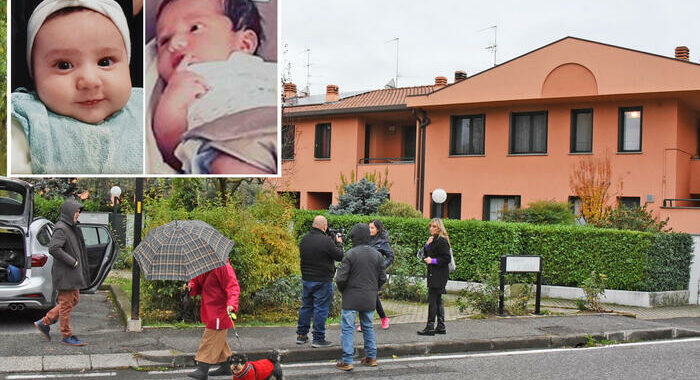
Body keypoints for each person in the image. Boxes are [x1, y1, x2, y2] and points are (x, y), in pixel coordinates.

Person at [11, 0, 143, 174]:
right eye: (64, 65)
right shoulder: (27, 120)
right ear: (34, 75)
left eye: (104, 62)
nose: (89, 81)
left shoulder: (144, 110)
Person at [152, 0, 277, 174]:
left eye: (194, 28)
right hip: (229, 142)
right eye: (164, 41)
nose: (175, 44)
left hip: (276, 124)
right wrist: (172, 101)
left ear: (244, 44)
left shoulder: (265, 70)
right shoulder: (183, 84)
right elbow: (173, 148)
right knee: (229, 166)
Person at [33, 199, 89, 346]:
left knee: (74, 300)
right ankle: (66, 335)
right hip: (65, 274)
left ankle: (44, 322)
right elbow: (54, 248)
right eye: (76, 211)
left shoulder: (70, 227)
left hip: (71, 274)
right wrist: (73, 261)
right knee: (66, 304)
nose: (77, 214)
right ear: (69, 212)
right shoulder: (61, 228)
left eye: (78, 211)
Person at [334, 223, 386, 371]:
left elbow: (340, 278)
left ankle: (347, 360)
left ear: (355, 238)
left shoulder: (350, 254)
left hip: (351, 297)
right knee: (368, 327)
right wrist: (374, 289)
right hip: (370, 297)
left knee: (348, 329)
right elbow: (382, 277)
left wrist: (343, 290)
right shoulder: (377, 255)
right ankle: (371, 357)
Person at [185, 259, 240, 380]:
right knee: (218, 339)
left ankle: (202, 369)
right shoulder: (204, 265)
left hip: (221, 311)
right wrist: (190, 287)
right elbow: (197, 284)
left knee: (210, 338)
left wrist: (232, 304)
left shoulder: (223, 266)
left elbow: (233, 287)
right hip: (211, 309)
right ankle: (227, 366)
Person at [296, 215, 344, 347]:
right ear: (324, 226)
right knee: (320, 309)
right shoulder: (326, 241)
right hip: (322, 280)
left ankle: (301, 335)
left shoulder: (304, 239)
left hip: (307, 278)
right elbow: (340, 256)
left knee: (306, 306)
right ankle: (318, 338)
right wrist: (339, 243)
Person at [358, 219, 394, 332]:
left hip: (377, 275)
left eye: (372, 228)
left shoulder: (383, 242)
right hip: (365, 273)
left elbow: (391, 256)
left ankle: (368, 322)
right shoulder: (365, 240)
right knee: (370, 297)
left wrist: (382, 266)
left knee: (371, 296)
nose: (370, 230)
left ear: (378, 229)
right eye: (369, 227)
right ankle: (383, 318)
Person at [417, 218, 451, 336]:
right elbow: (427, 254)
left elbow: (447, 258)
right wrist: (427, 245)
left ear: (439, 228)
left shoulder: (442, 241)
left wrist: (433, 260)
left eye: (434, 226)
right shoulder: (433, 240)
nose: (431, 228)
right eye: (430, 226)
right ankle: (441, 326)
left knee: (433, 300)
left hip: (439, 274)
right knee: (438, 300)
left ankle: (430, 327)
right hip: (434, 273)